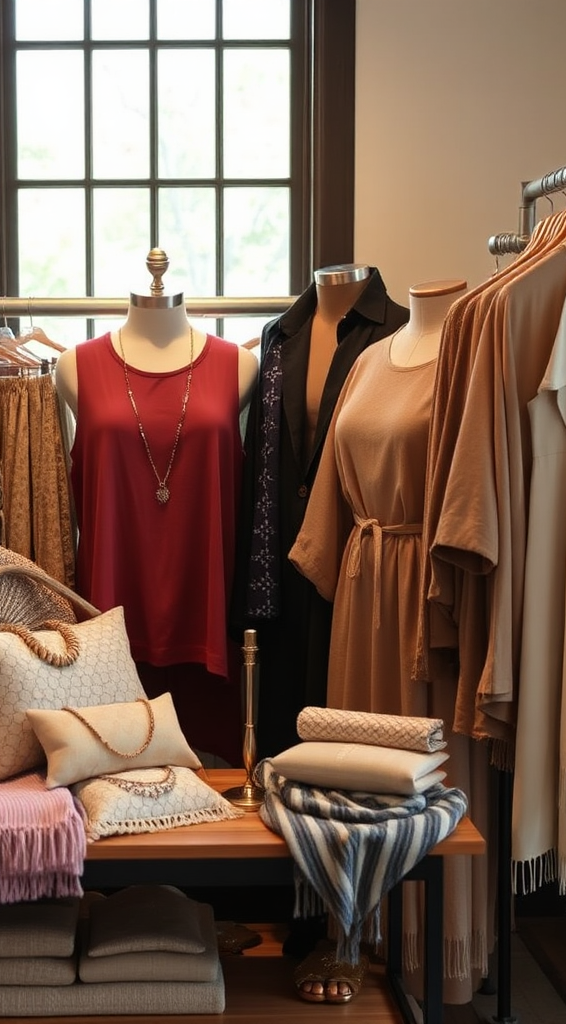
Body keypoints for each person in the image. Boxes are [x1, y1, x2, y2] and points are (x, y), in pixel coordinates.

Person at [289, 279, 494, 1005]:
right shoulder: (371, 359)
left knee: (426, 774)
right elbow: (328, 500)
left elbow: (480, 496)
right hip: (363, 581)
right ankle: (360, 935)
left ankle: (437, 951)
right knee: (358, 766)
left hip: (430, 589)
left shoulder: (476, 357)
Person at [55, 250, 257, 765]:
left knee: (218, 797)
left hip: (208, 616)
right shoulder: (76, 365)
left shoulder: (241, 365)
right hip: (110, 626)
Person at [231, 263, 410, 761]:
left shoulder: (398, 330)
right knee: (282, 726)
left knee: (347, 714)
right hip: (280, 551)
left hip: (357, 548)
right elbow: (259, 457)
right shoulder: (279, 335)